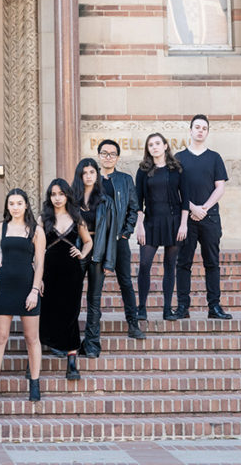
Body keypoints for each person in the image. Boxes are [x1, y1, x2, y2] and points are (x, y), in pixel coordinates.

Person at [0, 188, 44, 402]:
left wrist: (35, 291)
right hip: (5, 286)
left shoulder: (36, 230)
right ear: (7, 206)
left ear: (26, 205)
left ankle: (34, 384)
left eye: (19, 203)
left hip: (27, 287)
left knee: (31, 338)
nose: (15, 207)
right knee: (0, 338)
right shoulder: (1, 228)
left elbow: (40, 263)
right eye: (11, 204)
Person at [174, 114, 232, 320]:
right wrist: (192, 208)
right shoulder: (178, 158)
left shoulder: (214, 157)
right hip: (186, 218)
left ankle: (214, 307)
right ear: (190, 130)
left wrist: (204, 208)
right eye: (197, 127)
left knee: (212, 263)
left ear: (207, 132)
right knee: (183, 263)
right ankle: (182, 307)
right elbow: (175, 190)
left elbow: (220, 187)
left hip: (210, 218)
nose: (200, 131)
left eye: (204, 128)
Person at [37, 179, 92, 381]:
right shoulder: (44, 219)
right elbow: (37, 249)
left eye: (61, 194)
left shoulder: (77, 217)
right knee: (47, 311)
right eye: (53, 194)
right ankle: (35, 359)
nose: (57, 198)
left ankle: (71, 361)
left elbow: (88, 241)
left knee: (70, 314)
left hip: (71, 273)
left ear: (67, 195)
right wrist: (38, 277)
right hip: (48, 272)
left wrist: (82, 253)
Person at [135, 133, 188, 322]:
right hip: (150, 222)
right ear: (148, 149)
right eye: (150, 145)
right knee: (144, 264)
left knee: (169, 265)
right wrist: (139, 226)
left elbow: (185, 199)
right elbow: (138, 202)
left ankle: (167, 309)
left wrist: (183, 224)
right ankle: (141, 308)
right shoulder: (143, 170)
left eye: (158, 143)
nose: (154, 147)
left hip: (174, 222)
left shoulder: (177, 169)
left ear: (165, 146)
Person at [96, 139, 146, 340]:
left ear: (117, 157)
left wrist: (126, 233)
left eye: (112, 154)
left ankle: (133, 324)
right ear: (98, 155)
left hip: (119, 239)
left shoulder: (125, 180)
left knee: (125, 281)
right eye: (105, 153)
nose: (108, 157)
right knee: (96, 285)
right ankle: (94, 328)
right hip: (98, 241)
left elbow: (133, 208)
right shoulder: (91, 179)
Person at [72, 157, 110, 358]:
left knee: (94, 301)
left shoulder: (105, 200)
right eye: (84, 173)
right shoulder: (71, 199)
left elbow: (111, 233)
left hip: (98, 252)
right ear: (80, 175)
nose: (88, 176)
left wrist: (108, 260)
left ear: (97, 175)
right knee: (72, 299)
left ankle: (92, 344)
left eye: (92, 172)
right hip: (76, 251)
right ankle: (69, 342)